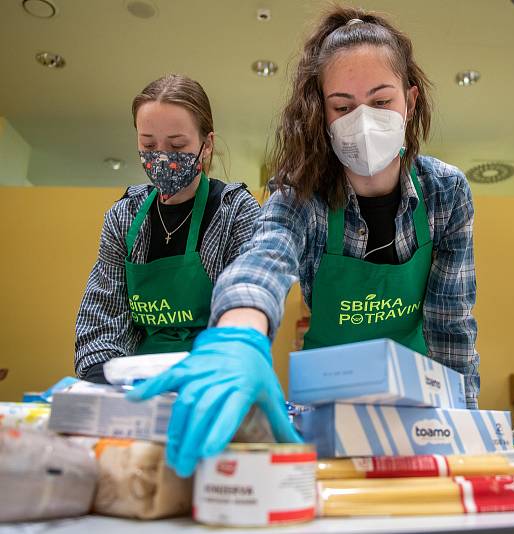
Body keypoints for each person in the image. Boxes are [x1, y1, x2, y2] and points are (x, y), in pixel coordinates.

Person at [129, 7, 479, 477]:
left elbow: (451, 326)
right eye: (341, 106)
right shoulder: (302, 192)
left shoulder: (445, 192)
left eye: (380, 102)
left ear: (410, 101)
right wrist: (238, 334)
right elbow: (263, 261)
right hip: (327, 400)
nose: (362, 120)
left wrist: (467, 424)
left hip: (418, 403)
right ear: (321, 110)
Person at [74, 74, 261, 383]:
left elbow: (243, 305)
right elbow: (102, 315)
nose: (162, 156)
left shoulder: (235, 212)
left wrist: (218, 375)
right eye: (148, 144)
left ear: (207, 144)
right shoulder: (123, 217)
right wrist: (105, 381)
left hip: (210, 380)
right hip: (134, 386)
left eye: (177, 145)